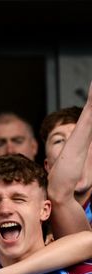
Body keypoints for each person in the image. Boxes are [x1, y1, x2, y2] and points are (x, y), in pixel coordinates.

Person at [44, 80, 92, 238]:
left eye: (77, 140)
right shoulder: (37, 212)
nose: (70, 147)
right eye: (58, 140)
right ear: (47, 165)